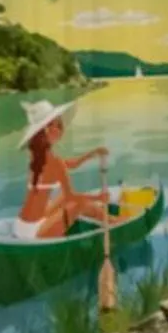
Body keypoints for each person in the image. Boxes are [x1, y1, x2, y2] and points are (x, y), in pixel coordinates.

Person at [15, 98, 112, 241]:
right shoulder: (55, 162)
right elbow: (71, 197)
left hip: (21, 225)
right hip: (34, 233)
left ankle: (106, 217)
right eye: (51, 126)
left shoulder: (37, 158)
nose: (57, 130)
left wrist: (92, 154)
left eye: (58, 125)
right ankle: (113, 222)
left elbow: (69, 164)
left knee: (62, 199)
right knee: (80, 204)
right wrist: (97, 198)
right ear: (41, 133)